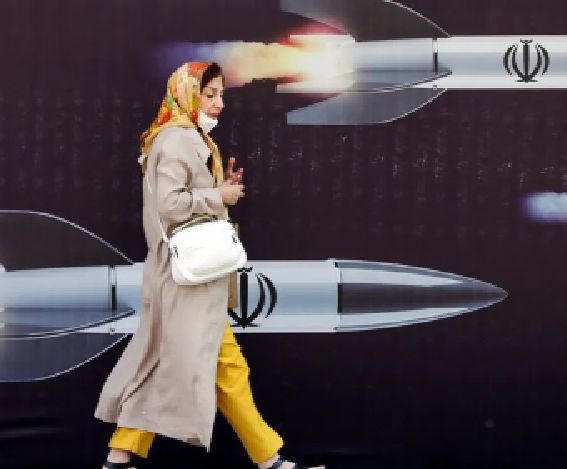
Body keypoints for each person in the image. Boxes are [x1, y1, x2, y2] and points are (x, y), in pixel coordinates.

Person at [94, 62, 323, 469]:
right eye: (209, 94)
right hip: (185, 281)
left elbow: (186, 199)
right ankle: (268, 460)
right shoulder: (176, 140)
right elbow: (170, 205)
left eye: (221, 95)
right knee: (218, 365)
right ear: (186, 94)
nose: (218, 104)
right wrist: (219, 197)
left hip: (190, 280)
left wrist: (220, 187)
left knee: (176, 361)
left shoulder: (186, 137)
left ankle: (120, 456)